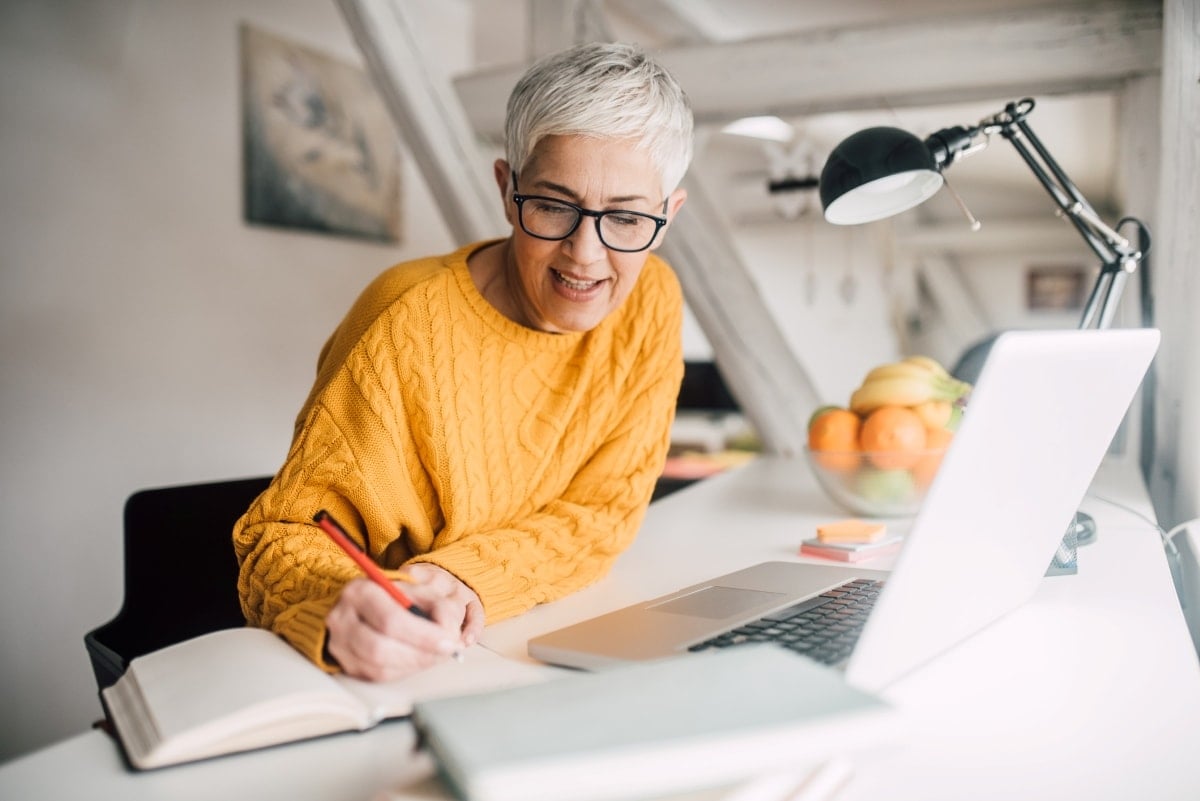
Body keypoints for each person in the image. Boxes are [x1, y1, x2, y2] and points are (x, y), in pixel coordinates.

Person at [233, 41, 694, 681]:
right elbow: (278, 544)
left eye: (624, 218)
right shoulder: (404, 320)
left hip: (522, 651)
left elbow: (604, 512)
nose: (586, 254)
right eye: (554, 206)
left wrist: (461, 576)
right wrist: (340, 608)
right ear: (508, 192)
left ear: (667, 216)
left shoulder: (652, 301)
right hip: (398, 669)